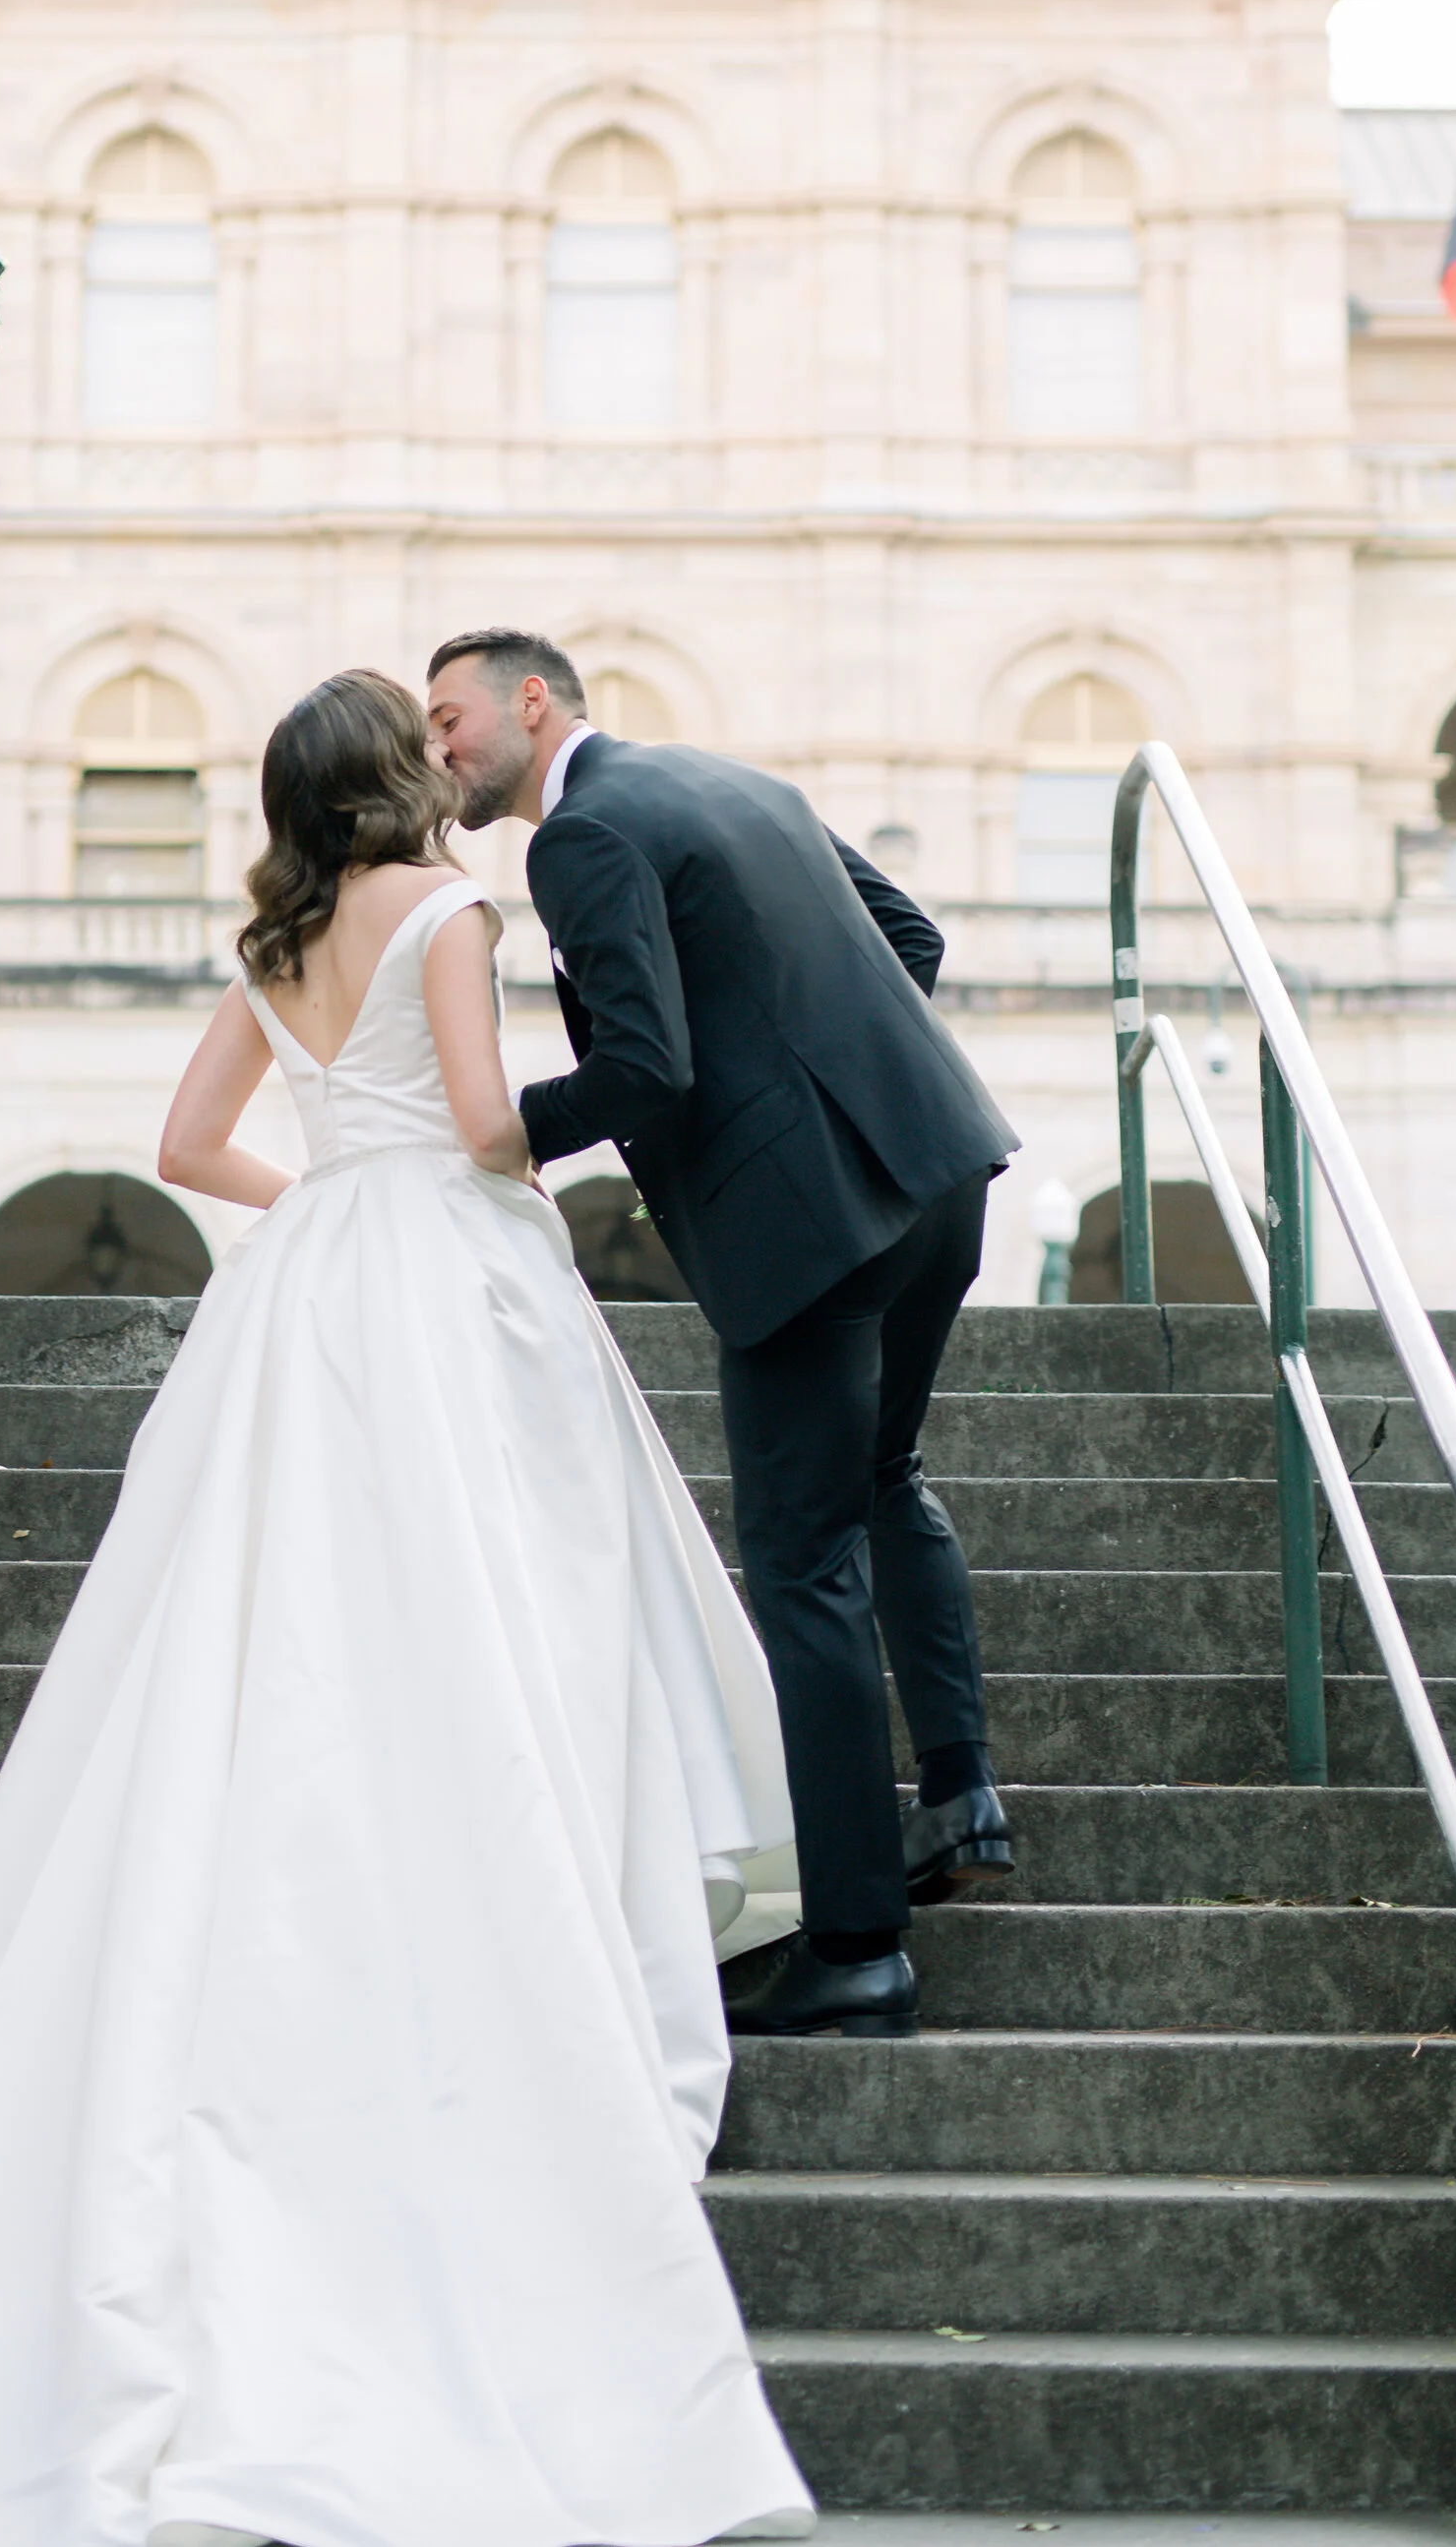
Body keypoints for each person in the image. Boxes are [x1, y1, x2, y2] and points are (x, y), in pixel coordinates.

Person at [0, 668, 813, 2547]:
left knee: (262, 1633)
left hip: (314, 1280)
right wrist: (455, 1152)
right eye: (422, 745)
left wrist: (334, 1188)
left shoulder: (271, 940)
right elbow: (498, 1133)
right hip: (447, 1273)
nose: (451, 759)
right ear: (395, 781)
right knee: (502, 1605)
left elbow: (193, 1152)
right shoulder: (452, 908)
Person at [426, 631, 1021, 2043]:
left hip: (811, 1234)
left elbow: (646, 1066)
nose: (438, 745)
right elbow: (912, 942)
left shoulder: (578, 839)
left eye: (449, 716)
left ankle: (860, 1943)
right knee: (887, 1481)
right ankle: (960, 1793)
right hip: (937, 1168)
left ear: (531, 699)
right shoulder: (732, 780)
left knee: (803, 1561)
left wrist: (509, 1134)